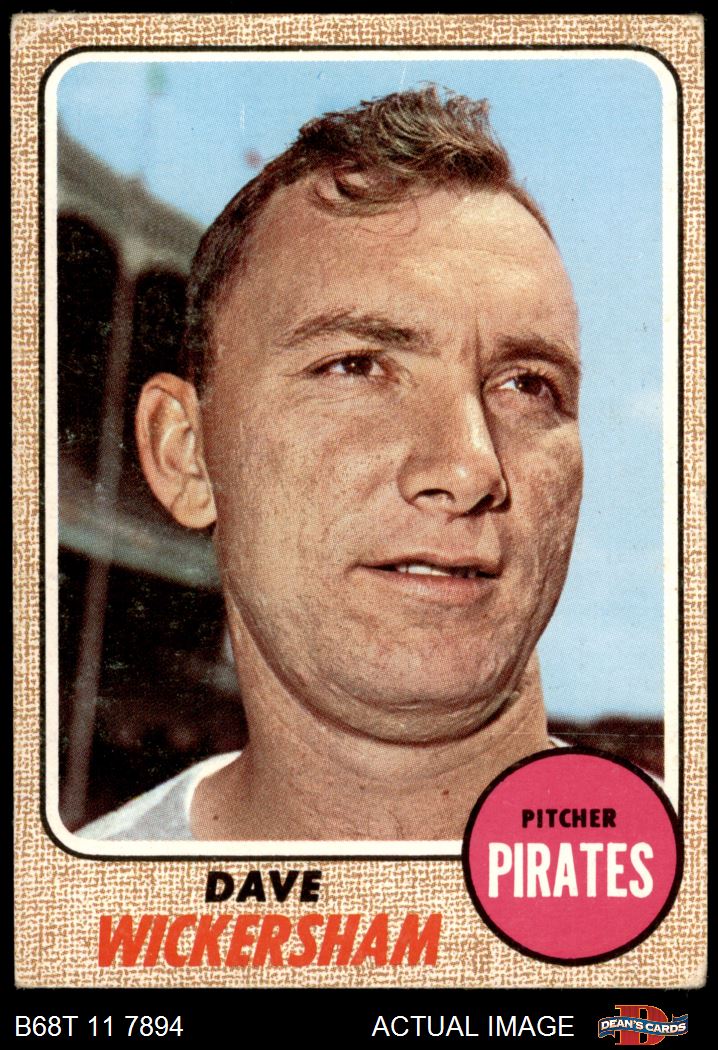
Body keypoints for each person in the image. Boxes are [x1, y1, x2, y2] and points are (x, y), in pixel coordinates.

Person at [79, 86, 583, 842]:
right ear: (185, 455)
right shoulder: (79, 891)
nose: (471, 468)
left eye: (527, 386)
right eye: (356, 366)